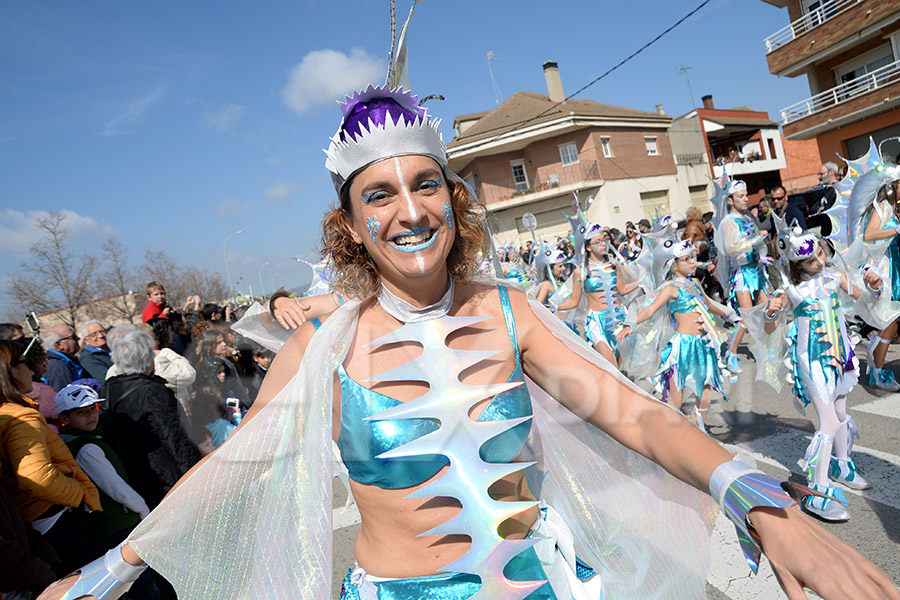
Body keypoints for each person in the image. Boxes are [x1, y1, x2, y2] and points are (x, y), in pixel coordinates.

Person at [54, 77, 899, 600]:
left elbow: (638, 418)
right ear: (349, 226)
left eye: (426, 185)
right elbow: (231, 472)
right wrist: (112, 567)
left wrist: (760, 501)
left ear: (454, 205)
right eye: (377, 195)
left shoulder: (509, 314)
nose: (409, 210)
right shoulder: (327, 344)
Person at [760, 225, 879, 520]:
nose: (820, 262)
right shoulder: (790, 289)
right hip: (812, 361)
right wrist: (771, 312)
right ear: (796, 265)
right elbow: (769, 328)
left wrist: (872, 284)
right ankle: (817, 489)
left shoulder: (833, 276)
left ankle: (841, 463)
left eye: (820, 254)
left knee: (840, 415)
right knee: (827, 423)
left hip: (841, 354)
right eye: (811, 260)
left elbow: (865, 300)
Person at [0, 340, 101, 574]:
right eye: (24, 363)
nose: (31, 370)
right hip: (52, 517)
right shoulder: (19, 417)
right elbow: (35, 476)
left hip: (32, 518)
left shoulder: (8, 412)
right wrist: (78, 493)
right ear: (9, 371)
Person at [627, 240, 734, 432]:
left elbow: (708, 304)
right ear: (673, 264)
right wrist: (630, 323)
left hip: (703, 345)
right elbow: (650, 309)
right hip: (682, 348)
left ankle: (697, 429)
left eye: (693, 258)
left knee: (706, 392)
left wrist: (730, 314)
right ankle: (667, 436)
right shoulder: (670, 289)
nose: (693, 262)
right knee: (675, 399)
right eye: (687, 259)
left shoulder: (694, 283)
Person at [102, 331, 201, 508]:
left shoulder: (110, 387)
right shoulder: (153, 391)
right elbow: (175, 439)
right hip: (165, 477)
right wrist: (195, 478)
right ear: (148, 359)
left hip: (135, 474)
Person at [56, 384, 150, 549]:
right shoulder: (86, 449)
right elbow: (115, 487)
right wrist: (143, 511)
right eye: (81, 412)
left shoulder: (76, 442)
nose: (91, 415)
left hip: (112, 524)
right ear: (64, 419)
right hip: (118, 524)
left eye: (93, 408)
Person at [715, 179, 771, 372]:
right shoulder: (727, 222)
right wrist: (756, 240)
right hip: (743, 273)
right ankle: (730, 352)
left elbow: (756, 243)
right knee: (747, 317)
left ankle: (766, 350)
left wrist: (763, 249)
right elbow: (731, 248)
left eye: (746, 195)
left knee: (768, 310)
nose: (746, 199)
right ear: (730, 200)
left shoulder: (747, 218)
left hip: (758, 269)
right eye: (741, 196)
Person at [853, 165, 900, 390]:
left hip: (895, 270)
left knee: (891, 323)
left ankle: (876, 367)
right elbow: (869, 234)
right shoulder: (883, 208)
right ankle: (877, 372)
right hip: (881, 272)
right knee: (889, 322)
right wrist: (896, 230)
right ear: (892, 187)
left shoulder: (895, 208)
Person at [41, 325, 85, 392]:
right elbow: (64, 396)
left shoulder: (67, 361)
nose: (78, 338)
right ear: (59, 345)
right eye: (73, 337)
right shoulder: (57, 366)